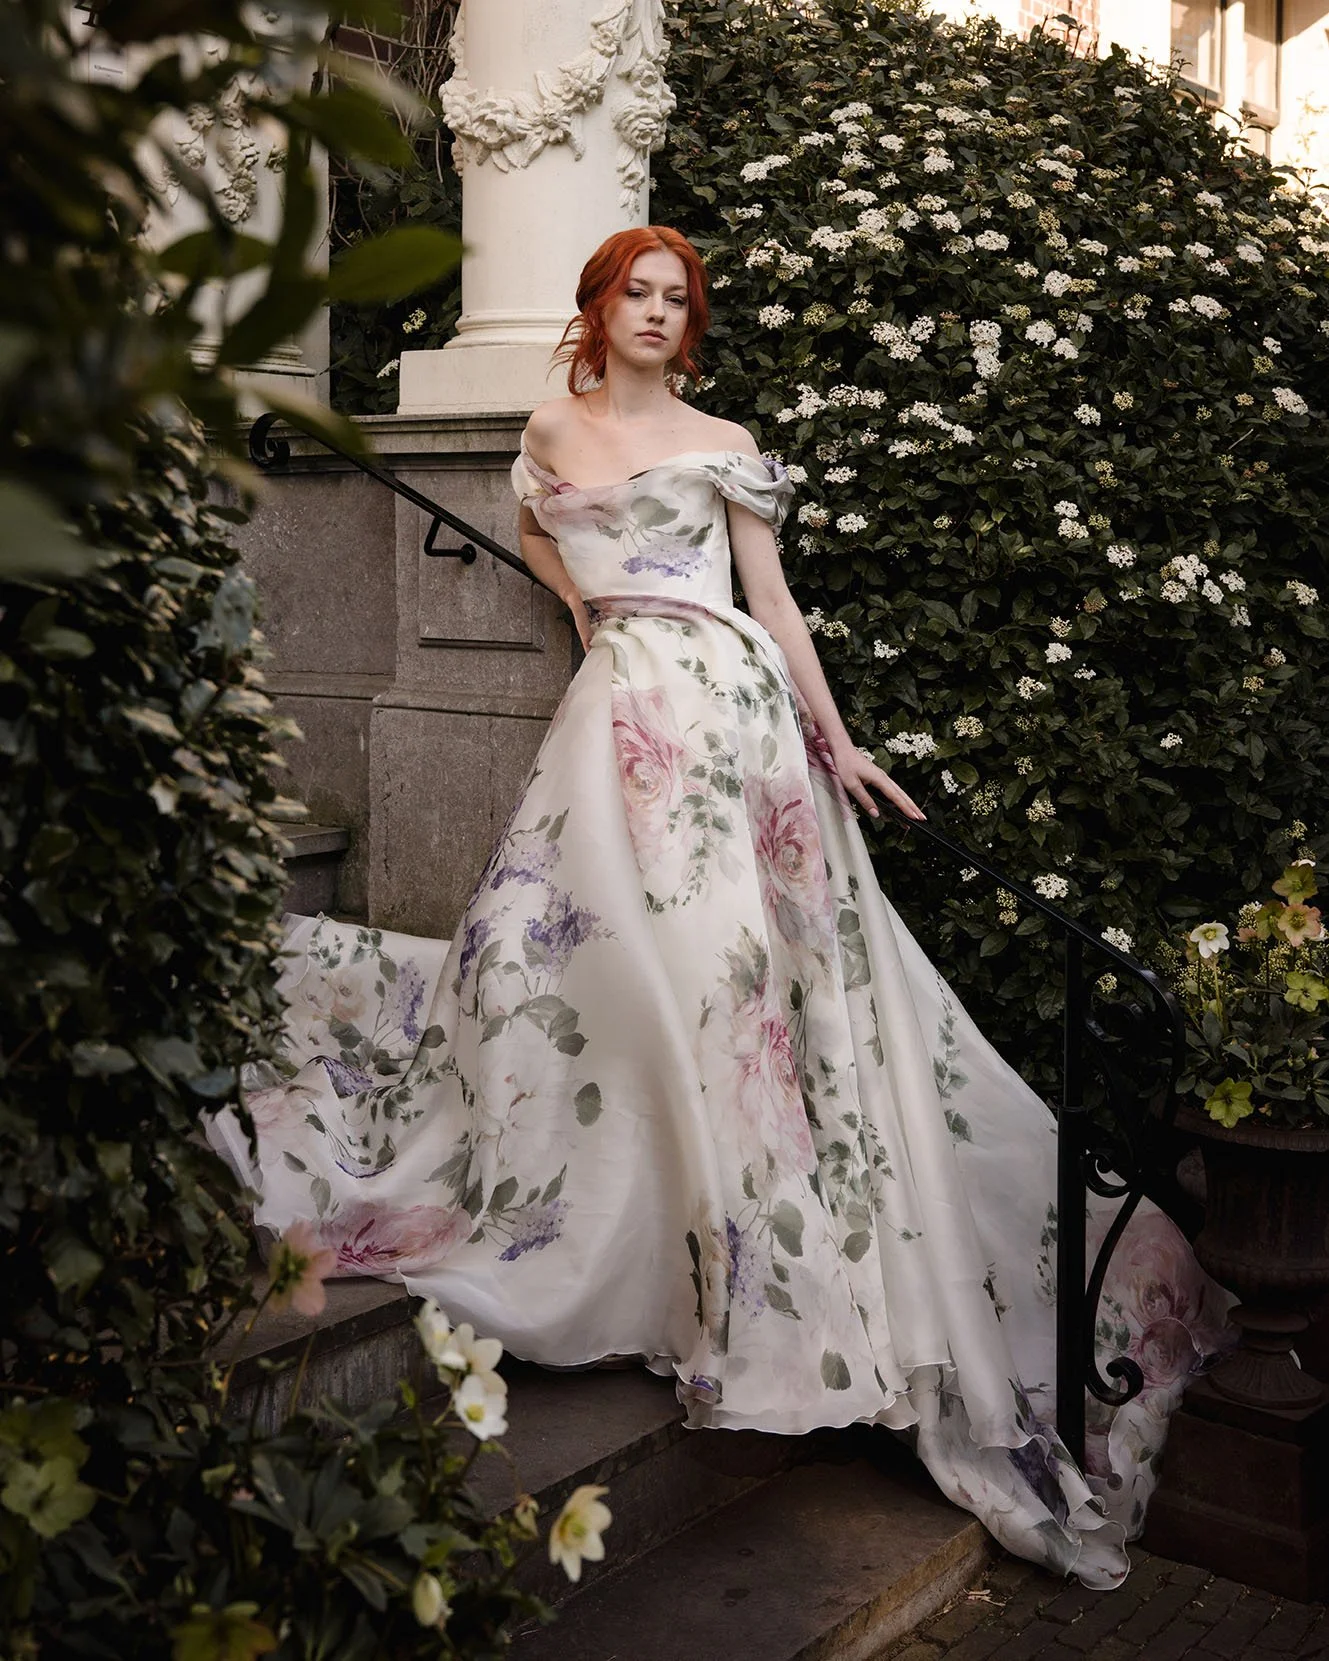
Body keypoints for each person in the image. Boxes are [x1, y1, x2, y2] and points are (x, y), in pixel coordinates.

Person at [209, 226, 1230, 1588]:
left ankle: (740, 1272)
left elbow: (778, 605)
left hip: (732, 720)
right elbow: (527, 521)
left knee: (730, 985)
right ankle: (629, 1235)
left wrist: (840, 741)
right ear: (597, 304)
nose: (653, 311)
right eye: (635, 291)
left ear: (689, 323)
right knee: (583, 970)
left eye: (674, 298)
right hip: (618, 711)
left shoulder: (723, 436)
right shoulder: (548, 428)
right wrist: (590, 613)